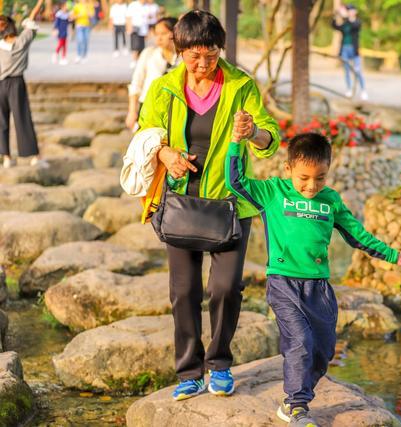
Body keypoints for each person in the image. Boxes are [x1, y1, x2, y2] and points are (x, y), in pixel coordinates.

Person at [135, 10, 280, 401]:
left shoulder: (241, 85)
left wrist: (255, 133)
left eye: (211, 54)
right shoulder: (164, 88)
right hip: (180, 201)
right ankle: (188, 371)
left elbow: (272, 138)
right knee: (183, 292)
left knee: (226, 288)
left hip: (230, 203)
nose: (202, 64)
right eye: (193, 55)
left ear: (221, 49)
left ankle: (219, 364)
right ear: (179, 50)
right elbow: (144, 132)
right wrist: (165, 154)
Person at [225, 132, 401, 427]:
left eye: (320, 178)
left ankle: (296, 395)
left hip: (320, 288)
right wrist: (236, 142)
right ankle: (297, 405)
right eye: (303, 178)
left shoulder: (331, 201)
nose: (311, 186)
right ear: (287, 170)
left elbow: (357, 235)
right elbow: (235, 181)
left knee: (324, 349)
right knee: (300, 340)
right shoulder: (273, 192)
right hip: (284, 283)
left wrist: (392, 255)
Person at [0, 0, 48, 169]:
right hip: (17, 83)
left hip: (1, 84)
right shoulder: (22, 41)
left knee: (2, 122)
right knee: (23, 119)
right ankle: (34, 156)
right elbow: (31, 21)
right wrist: (40, 3)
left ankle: (6, 158)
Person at [125, 16, 179, 129]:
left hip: (174, 111)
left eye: (163, 33)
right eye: (157, 34)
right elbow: (136, 84)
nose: (159, 38)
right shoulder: (148, 54)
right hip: (147, 107)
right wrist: (132, 111)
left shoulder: (183, 59)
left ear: (175, 34)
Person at [332, 4, 368, 100]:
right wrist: (336, 15)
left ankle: (363, 90)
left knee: (357, 70)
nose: (349, 12)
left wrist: (346, 16)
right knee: (346, 70)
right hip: (344, 49)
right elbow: (335, 26)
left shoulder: (357, 22)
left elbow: (355, 26)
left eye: (351, 10)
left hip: (354, 49)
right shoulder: (345, 23)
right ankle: (349, 89)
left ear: (355, 11)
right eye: (348, 10)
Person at [126, 0, 148, 68]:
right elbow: (128, 17)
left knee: (142, 47)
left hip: (143, 30)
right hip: (135, 29)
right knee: (135, 46)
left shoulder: (146, 6)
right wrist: (129, 27)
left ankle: (139, 61)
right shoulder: (133, 5)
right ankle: (134, 60)